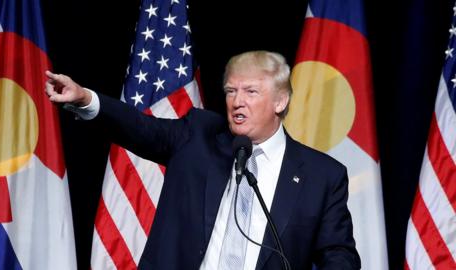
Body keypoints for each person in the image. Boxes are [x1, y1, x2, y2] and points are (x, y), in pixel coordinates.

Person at [45, 50, 361, 269]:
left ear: (281, 100)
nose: (237, 102)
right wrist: (87, 99)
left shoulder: (322, 176)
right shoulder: (198, 135)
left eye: (250, 92)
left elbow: (339, 255)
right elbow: (142, 129)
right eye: (230, 91)